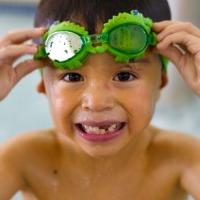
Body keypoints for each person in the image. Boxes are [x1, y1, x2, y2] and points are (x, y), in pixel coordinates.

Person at [0, 0, 200, 199]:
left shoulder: (182, 158)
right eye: (72, 77)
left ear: (161, 83)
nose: (96, 102)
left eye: (124, 76)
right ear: (45, 87)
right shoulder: (24, 159)